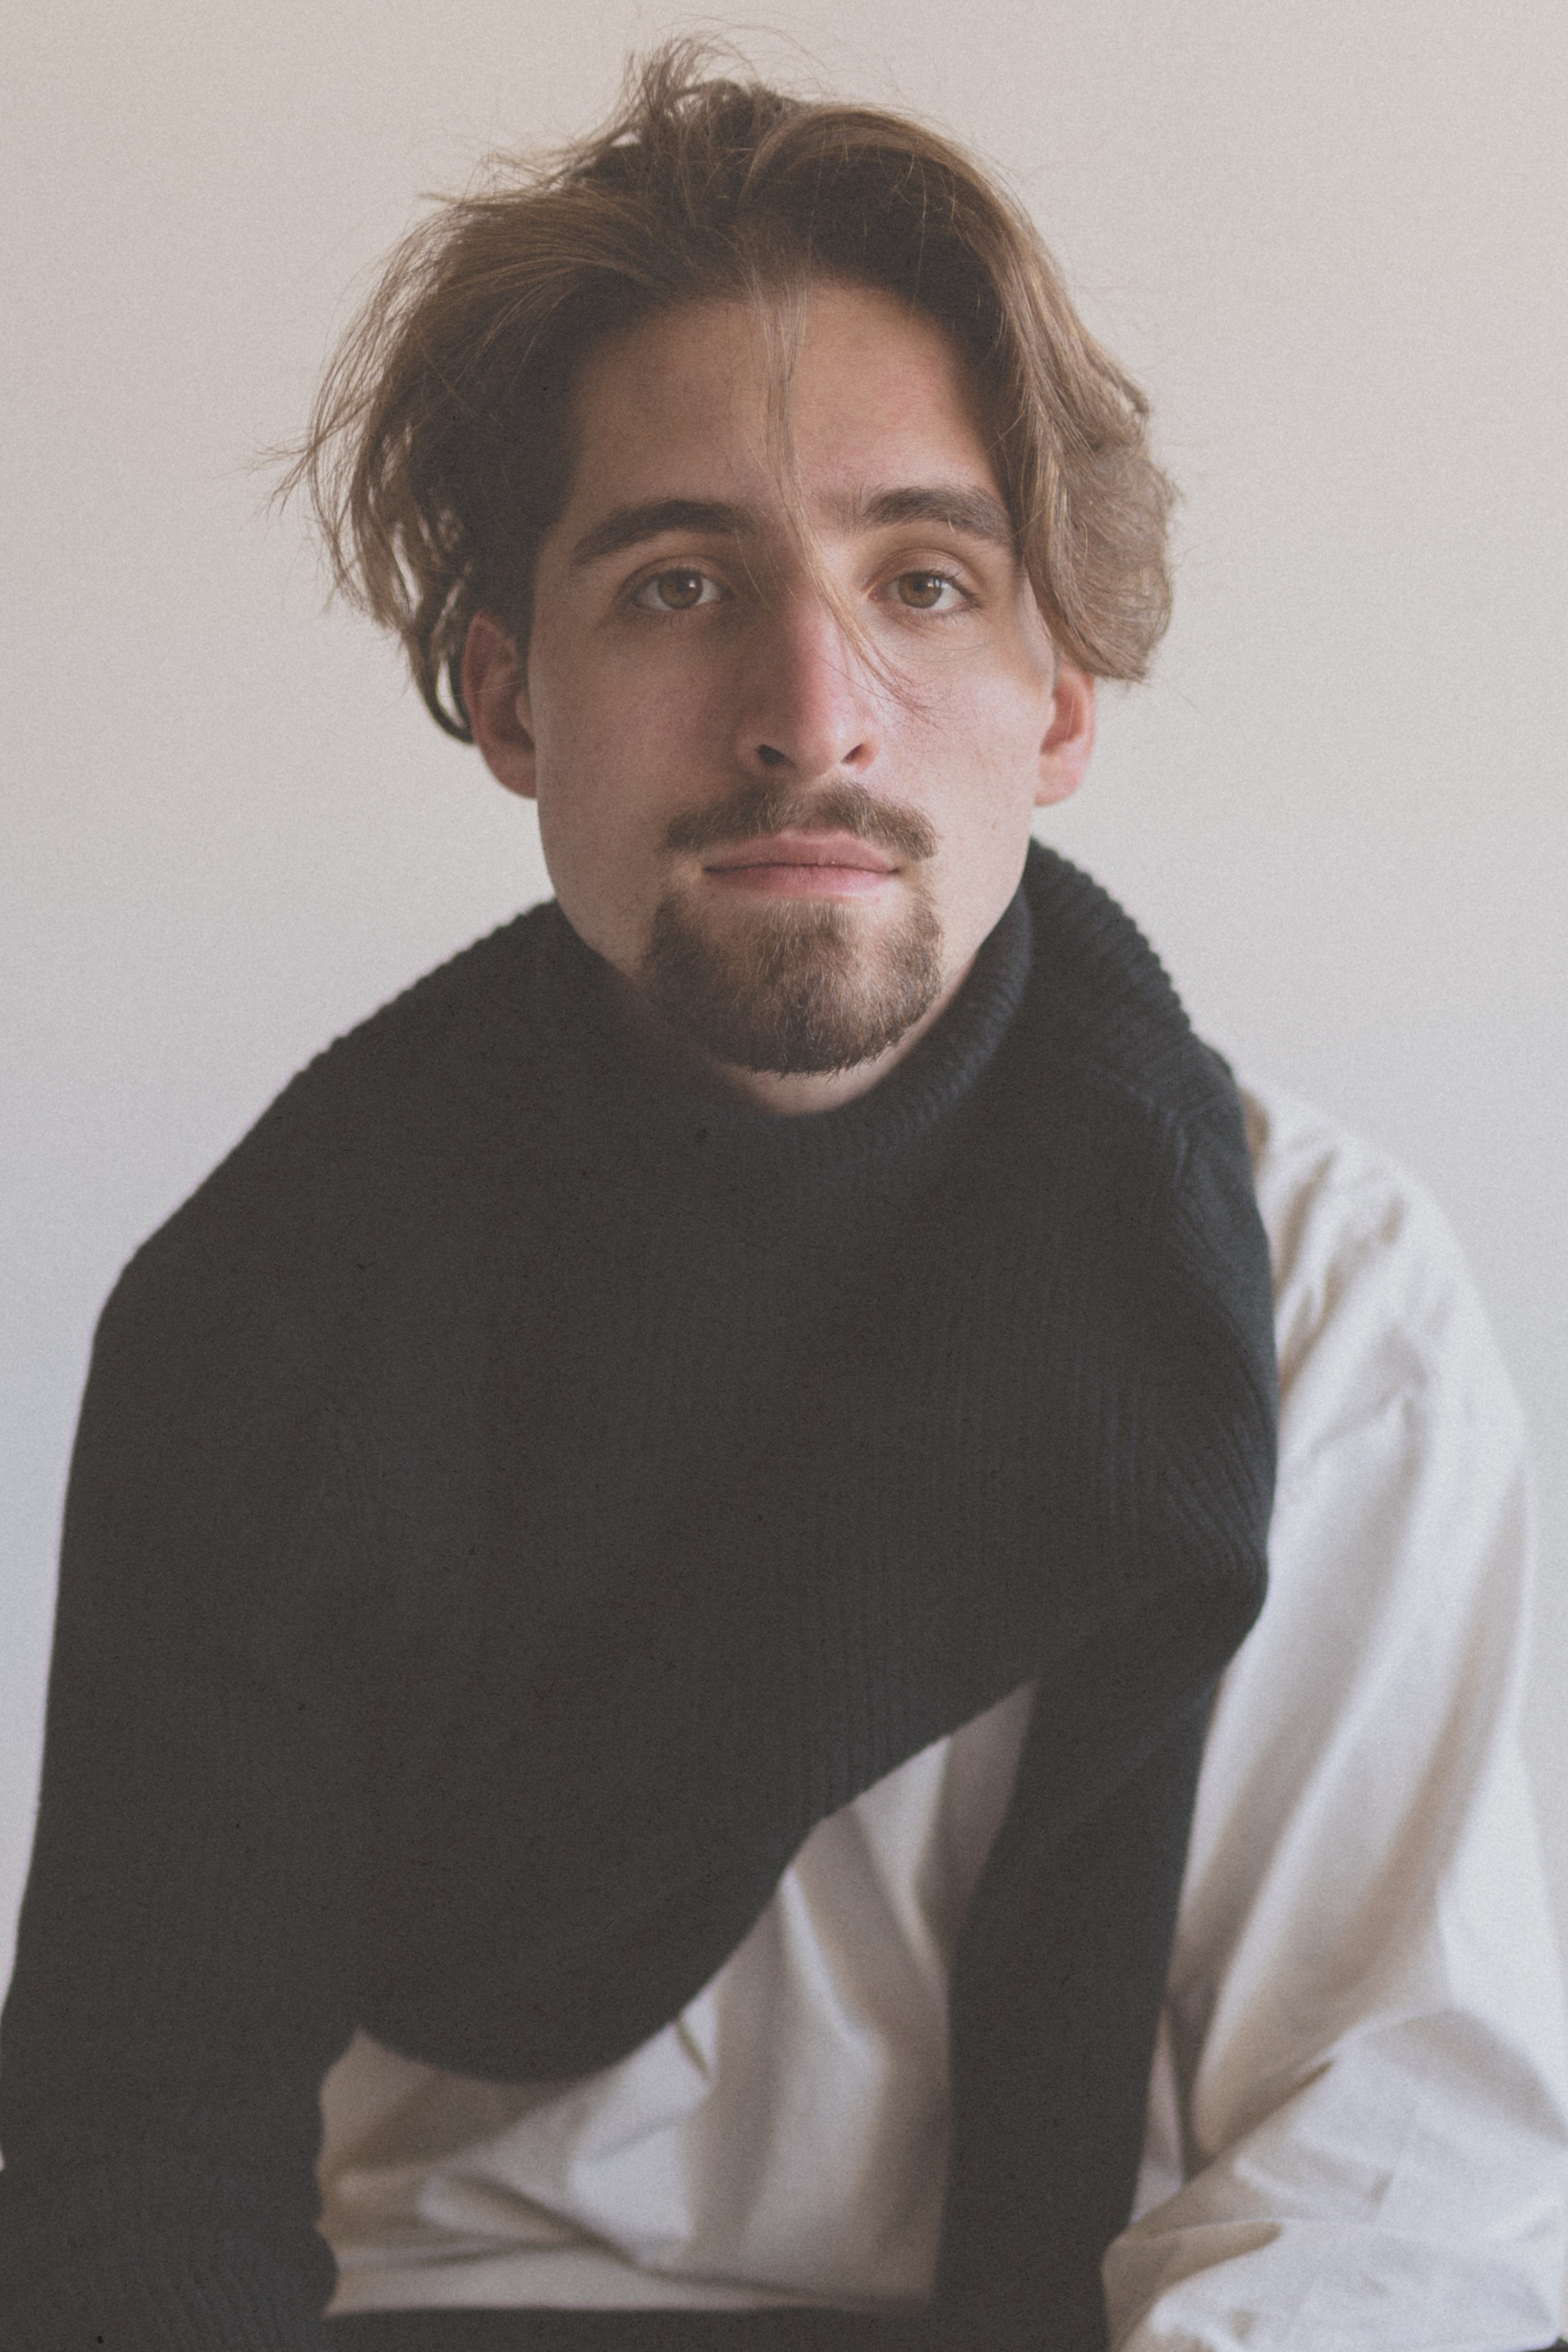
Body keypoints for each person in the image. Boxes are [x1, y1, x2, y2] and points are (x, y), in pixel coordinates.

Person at [1, 41, 1564, 2352]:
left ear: (1058, 704)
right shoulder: (270, 1312)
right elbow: (134, 2169)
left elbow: (1393, 2170)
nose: (810, 711)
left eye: (923, 582)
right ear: (510, 699)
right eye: (676, 585)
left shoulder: (1318, 1295)